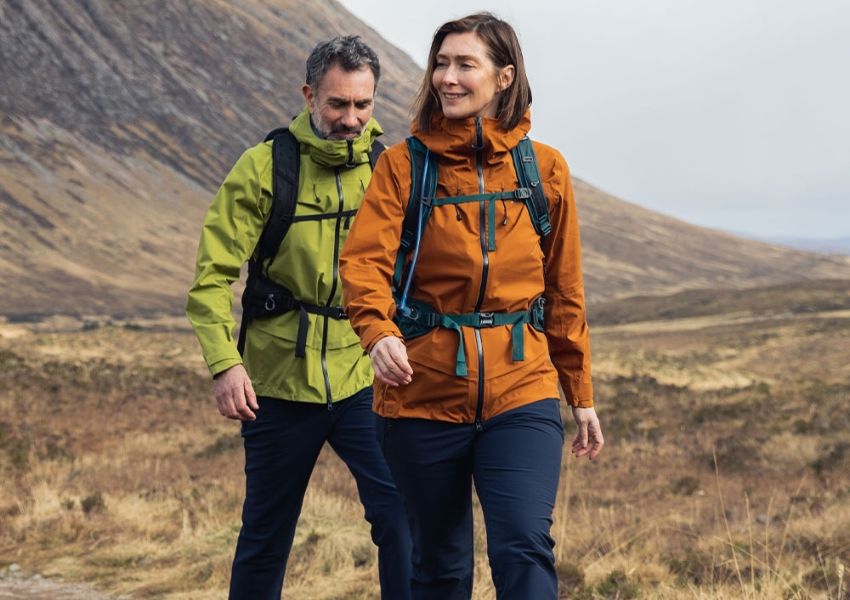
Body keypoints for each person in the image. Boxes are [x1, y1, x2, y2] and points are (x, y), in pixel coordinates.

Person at [339, 13, 604, 600]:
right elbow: (363, 264)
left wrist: (579, 394)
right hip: (420, 395)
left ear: (504, 77)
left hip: (522, 390)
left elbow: (564, 291)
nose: (447, 78)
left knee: (524, 547)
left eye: (465, 64)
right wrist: (378, 332)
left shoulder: (546, 171)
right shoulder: (403, 165)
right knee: (437, 566)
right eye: (441, 63)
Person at [185, 35, 411, 600]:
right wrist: (224, 364)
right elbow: (212, 279)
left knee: (403, 517)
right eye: (337, 104)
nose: (351, 118)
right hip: (277, 382)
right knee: (266, 534)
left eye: (363, 104)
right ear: (310, 94)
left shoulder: (392, 168)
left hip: (366, 377)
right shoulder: (264, 167)